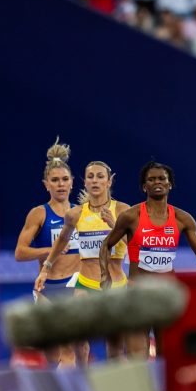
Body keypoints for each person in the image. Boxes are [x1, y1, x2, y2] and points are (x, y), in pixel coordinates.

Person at [98, 161, 196, 358]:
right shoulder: (130, 216)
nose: (157, 182)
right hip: (137, 291)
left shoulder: (183, 219)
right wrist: (104, 274)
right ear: (144, 186)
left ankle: (162, 389)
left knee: (165, 355)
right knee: (137, 355)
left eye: (162, 179)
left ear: (170, 185)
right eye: (151, 179)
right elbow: (106, 245)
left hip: (166, 293)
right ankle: (138, 388)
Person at [34, 160, 129, 361]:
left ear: (109, 181)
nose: (95, 181)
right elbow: (62, 240)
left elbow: (137, 244)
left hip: (116, 285)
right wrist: (46, 268)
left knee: (115, 347)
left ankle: (116, 388)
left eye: (100, 176)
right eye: (90, 176)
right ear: (84, 182)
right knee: (77, 343)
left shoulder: (122, 210)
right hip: (85, 283)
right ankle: (82, 386)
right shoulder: (75, 214)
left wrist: (115, 227)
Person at [15, 138, 81, 365]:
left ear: (72, 182)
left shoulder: (82, 213)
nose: (61, 184)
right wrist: (48, 251)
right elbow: (20, 252)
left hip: (75, 286)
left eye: (64, 180)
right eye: (55, 180)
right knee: (51, 355)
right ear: (46, 184)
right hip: (47, 289)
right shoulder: (39, 214)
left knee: (71, 350)